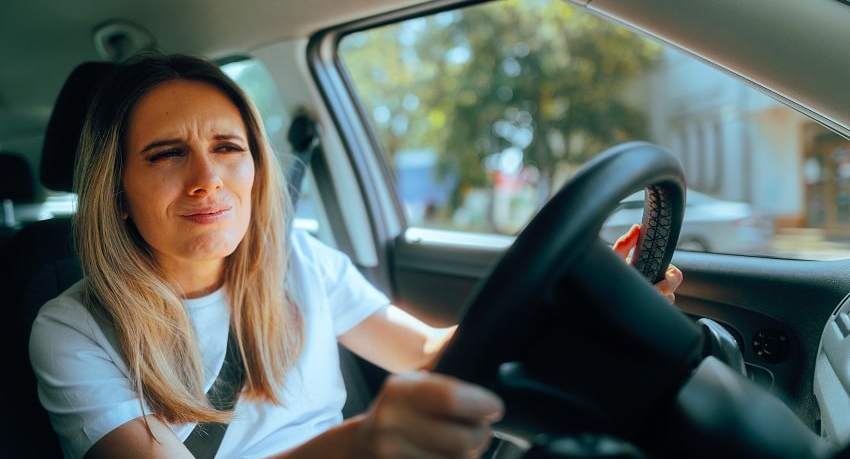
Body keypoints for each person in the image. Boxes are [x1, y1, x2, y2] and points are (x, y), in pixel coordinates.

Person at [29, 54, 683, 459]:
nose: (208, 178)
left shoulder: (295, 259)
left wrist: (586, 305)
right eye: (167, 153)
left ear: (257, 166)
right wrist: (360, 443)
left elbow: (427, 353)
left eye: (228, 146)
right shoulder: (72, 327)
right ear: (116, 190)